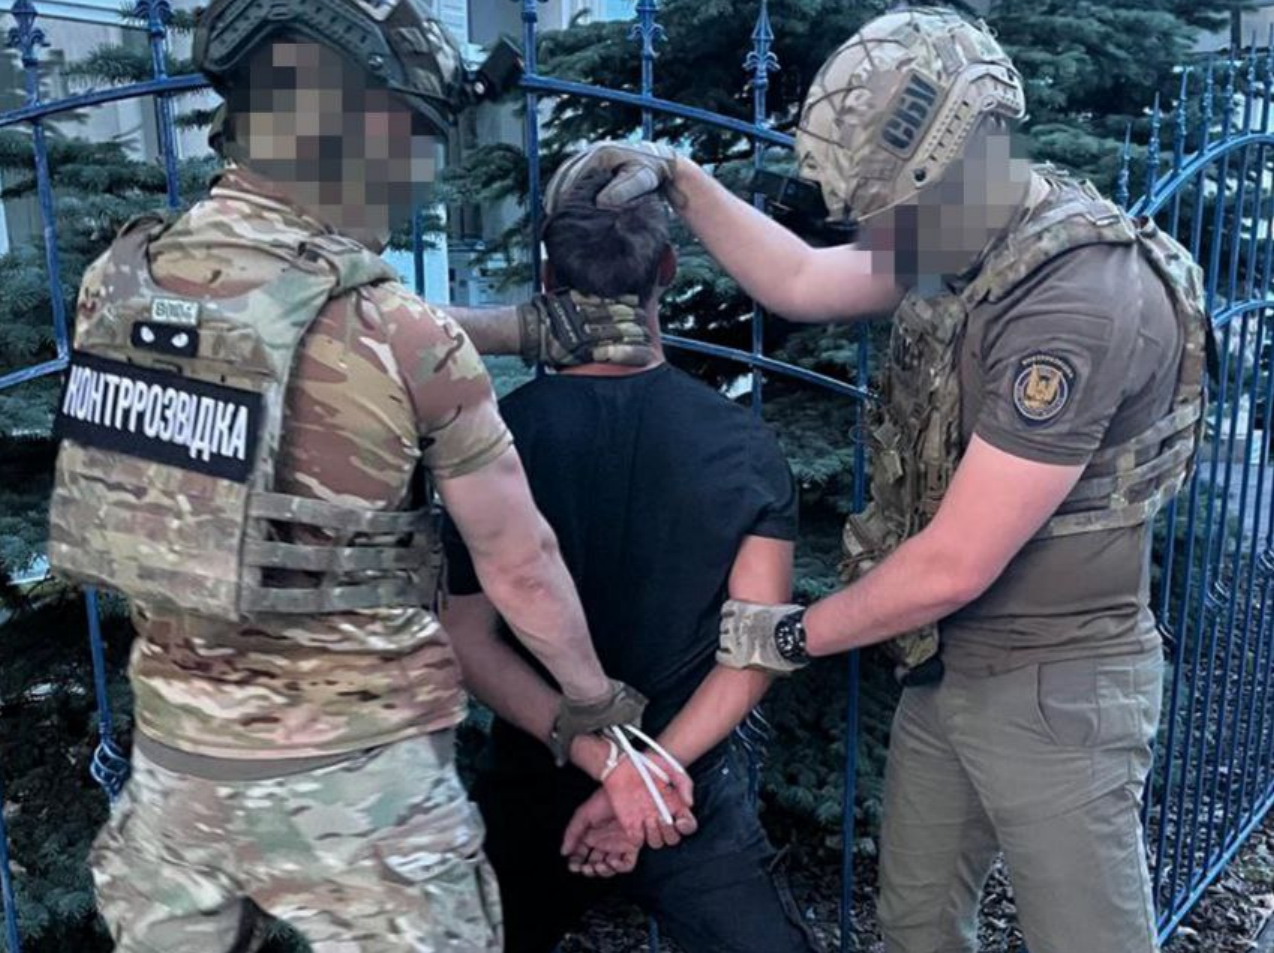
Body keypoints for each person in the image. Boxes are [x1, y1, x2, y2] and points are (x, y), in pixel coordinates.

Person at [549, 7, 1210, 953]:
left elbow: (954, 563)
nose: (880, 232)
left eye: (894, 208)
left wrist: (788, 633)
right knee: (916, 927)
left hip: (1056, 684)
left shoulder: (1075, 302)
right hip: (952, 667)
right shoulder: (967, 232)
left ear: (963, 160)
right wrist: (681, 180)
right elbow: (805, 280)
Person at [44, 2, 682, 949]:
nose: (421, 176)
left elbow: (277, 311)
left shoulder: (122, 278)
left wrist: (512, 329)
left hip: (178, 773)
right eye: (418, 139)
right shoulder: (404, 335)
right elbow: (520, 564)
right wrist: (594, 702)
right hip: (361, 793)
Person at [439, 167, 821, 953]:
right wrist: (646, 776)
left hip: (538, 773)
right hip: (686, 787)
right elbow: (757, 651)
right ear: (667, 270)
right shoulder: (742, 444)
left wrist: (606, 767)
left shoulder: (497, 439)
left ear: (548, 278)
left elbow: (467, 638)